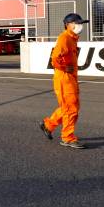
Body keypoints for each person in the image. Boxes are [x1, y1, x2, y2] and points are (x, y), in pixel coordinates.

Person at [39, 13, 88, 149]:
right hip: (64, 78)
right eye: (77, 23)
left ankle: (48, 125)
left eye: (81, 23)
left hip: (70, 77)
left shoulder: (72, 39)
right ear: (68, 25)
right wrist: (64, 67)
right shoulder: (64, 38)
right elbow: (55, 58)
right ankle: (67, 138)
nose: (80, 26)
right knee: (71, 108)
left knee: (70, 106)